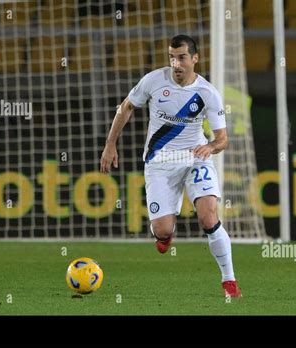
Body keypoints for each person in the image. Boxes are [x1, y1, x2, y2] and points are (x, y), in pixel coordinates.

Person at [100, 34, 241, 298]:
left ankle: (229, 281)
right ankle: (164, 237)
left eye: (182, 57)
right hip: (159, 162)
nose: (176, 64)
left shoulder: (207, 93)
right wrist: (110, 144)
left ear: (195, 59)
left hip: (195, 158)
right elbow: (126, 107)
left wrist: (209, 147)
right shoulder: (154, 80)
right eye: (172, 57)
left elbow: (222, 139)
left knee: (208, 217)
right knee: (162, 229)